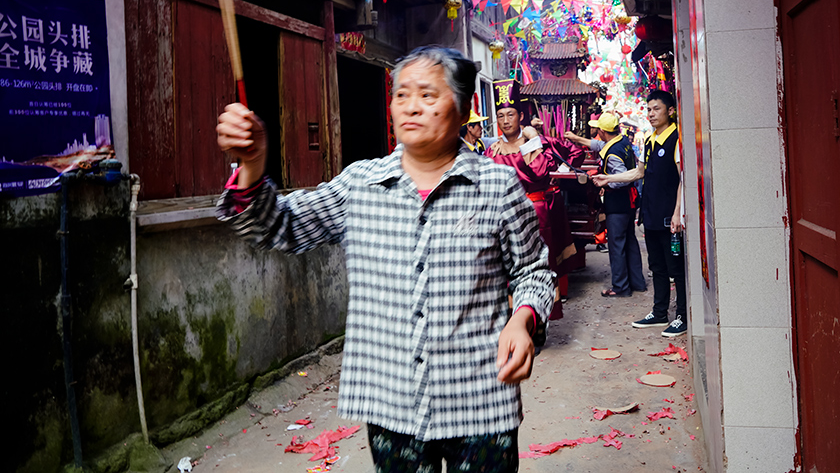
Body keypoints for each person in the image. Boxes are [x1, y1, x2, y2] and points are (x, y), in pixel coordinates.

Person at [215, 46, 554, 472]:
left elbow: (533, 272)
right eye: (401, 95)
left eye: (429, 96)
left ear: (464, 110)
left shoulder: (496, 185)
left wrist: (522, 319)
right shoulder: (361, 184)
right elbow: (277, 226)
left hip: (482, 398)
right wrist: (252, 165)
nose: (411, 106)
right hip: (393, 405)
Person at [485, 79, 585, 320]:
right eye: (500, 116)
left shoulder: (540, 143)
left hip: (537, 213)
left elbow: (568, 157)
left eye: (510, 114)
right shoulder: (493, 151)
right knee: (507, 268)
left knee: (541, 266)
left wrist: (557, 173)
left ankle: (540, 319)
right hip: (505, 218)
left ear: (521, 116)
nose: (506, 120)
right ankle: (516, 319)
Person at [594, 91, 685, 337]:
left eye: (656, 109)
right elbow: (638, 173)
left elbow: (683, 179)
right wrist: (609, 178)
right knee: (657, 266)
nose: (651, 114)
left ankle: (682, 317)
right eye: (648, 109)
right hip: (651, 213)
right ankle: (659, 313)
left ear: (670, 111)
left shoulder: (676, 138)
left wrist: (678, 213)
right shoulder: (649, 139)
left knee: (675, 266)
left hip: (669, 216)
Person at [566, 112, 645, 297]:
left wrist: (604, 181)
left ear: (602, 131)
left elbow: (622, 179)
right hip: (628, 203)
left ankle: (620, 287)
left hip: (617, 203)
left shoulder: (613, 155)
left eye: (598, 130)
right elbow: (600, 145)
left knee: (617, 245)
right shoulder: (621, 141)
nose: (597, 134)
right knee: (630, 243)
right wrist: (577, 139)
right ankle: (637, 282)